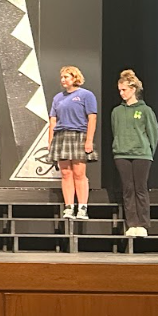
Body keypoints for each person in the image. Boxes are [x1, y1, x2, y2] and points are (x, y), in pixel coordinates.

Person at [112, 69, 158, 237]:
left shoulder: (145, 110)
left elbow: (153, 133)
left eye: (124, 89)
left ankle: (143, 225)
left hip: (142, 155)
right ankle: (131, 224)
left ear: (133, 89)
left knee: (140, 188)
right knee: (128, 189)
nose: (121, 93)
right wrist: (118, 147)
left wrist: (148, 150)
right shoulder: (116, 111)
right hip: (122, 154)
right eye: (119, 90)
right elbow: (115, 131)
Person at [48, 66, 98, 219]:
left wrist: (89, 140)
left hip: (78, 135)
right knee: (65, 172)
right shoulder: (58, 98)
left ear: (75, 78)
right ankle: (69, 207)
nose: (63, 80)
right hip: (61, 136)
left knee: (79, 173)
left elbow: (92, 118)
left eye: (66, 77)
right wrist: (50, 140)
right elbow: (53, 120)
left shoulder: (86, 95)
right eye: (62, 77)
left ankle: (82, 208)